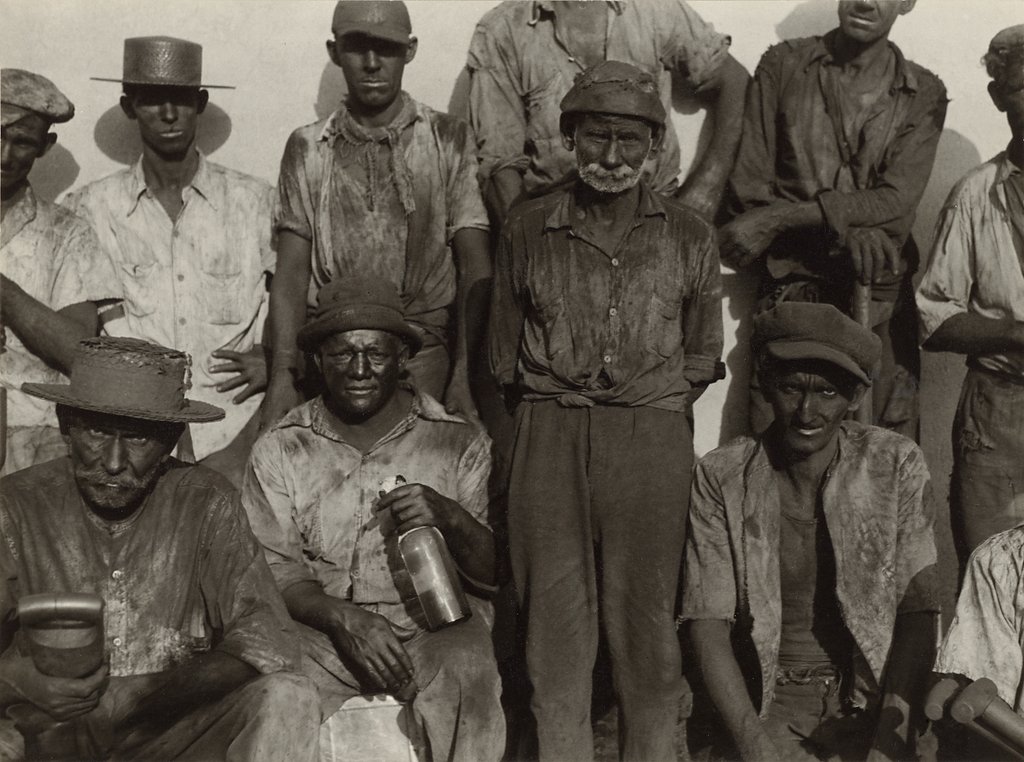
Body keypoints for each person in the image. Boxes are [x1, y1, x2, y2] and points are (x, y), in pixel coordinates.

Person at [489, 60, 724, 761]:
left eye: (629, 140)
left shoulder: (690, 235)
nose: (612, 156)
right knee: (552, 637)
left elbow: (703, 355)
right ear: (569, 138)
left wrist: (641, 409)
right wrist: (556, 420)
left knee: (648, 635)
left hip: (651, 441)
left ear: (654, 146)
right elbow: (502, 359)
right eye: (596, 136)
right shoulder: (527, 228)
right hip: (548, 435)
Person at [0, 337, 319, 761]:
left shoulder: (207, 502)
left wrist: (132, 697)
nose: (114, 462)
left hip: (169, 733)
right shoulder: (13, 507)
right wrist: (15, 680)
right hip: (45, 735)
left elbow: (268, 640)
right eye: (96, 431)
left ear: (169, 439)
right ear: (66, 425)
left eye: (137, 438)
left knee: (289, 695)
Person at [243, 277, 505, 762]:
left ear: (403, 358)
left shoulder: (457, 442)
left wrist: (449, 517)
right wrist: (344, 618)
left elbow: (491, 575)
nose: (359, 370)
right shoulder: (282, 447)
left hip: (432, 628)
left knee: (469, 666)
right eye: (342, 353)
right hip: (321, 629)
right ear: (318, 361)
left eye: (376, 354)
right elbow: (274, 570)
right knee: (269, 680)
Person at [682, 302, 940, 761]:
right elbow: (707, 621)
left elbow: (917, 611)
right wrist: (754, 745)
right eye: (790, 388)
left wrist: (887, 741)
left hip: (870, 702)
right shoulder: (723, 476)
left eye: (827, 392)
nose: (806, 411)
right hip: (767, 706)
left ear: (855, 397)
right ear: (765, 383)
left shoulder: (894, 464)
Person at [723, 0, 947, 439]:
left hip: (878, 307)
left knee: (880, 457)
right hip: (792, 301)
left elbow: (897, 204)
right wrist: (853, 227)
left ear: (906, 3)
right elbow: (749, 198)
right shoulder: (783, 65)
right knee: (781, 454)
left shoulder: (924, 92)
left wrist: (788, 216)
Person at [265, 1, 491, 429]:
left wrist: (463, 375)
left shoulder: (447, 138)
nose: (371, 63)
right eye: (356, 47)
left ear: (410, 50)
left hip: (423, 355)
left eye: (386, 48)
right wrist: (282, 375)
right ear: (335, 52)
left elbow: (474, 265)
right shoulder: (309, 147)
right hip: (335, 359)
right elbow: (291, 273)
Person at [65, 37, 275, 486]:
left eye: (180, 99)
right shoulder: (90, 209)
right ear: (129, 106)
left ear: (200, 103)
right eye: (151, 99)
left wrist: (273, 357)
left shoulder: (256, 202)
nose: (167, 113)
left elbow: (294, 299)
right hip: (132, 441)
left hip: (238, 432)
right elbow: (78, 334)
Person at [466, 0, 749, 223]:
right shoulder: (504, 30)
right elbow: (499, 165)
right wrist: (532, 244)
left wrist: (704, 193)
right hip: (559, 222)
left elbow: (734, 81)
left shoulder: (653, 8)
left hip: (654, 214)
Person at [916, 24, 1024, 570]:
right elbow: (934, 320)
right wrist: (1015, 333)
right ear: (999, 96)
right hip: (1001, 410)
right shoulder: (974, 196)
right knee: (993, 577)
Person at [0, 68, 119, 473]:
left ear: (45, 147)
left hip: (36, 440)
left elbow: (79, 354)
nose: (5, 156)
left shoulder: (68, 232)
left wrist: (4, 293)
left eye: (22, 142)